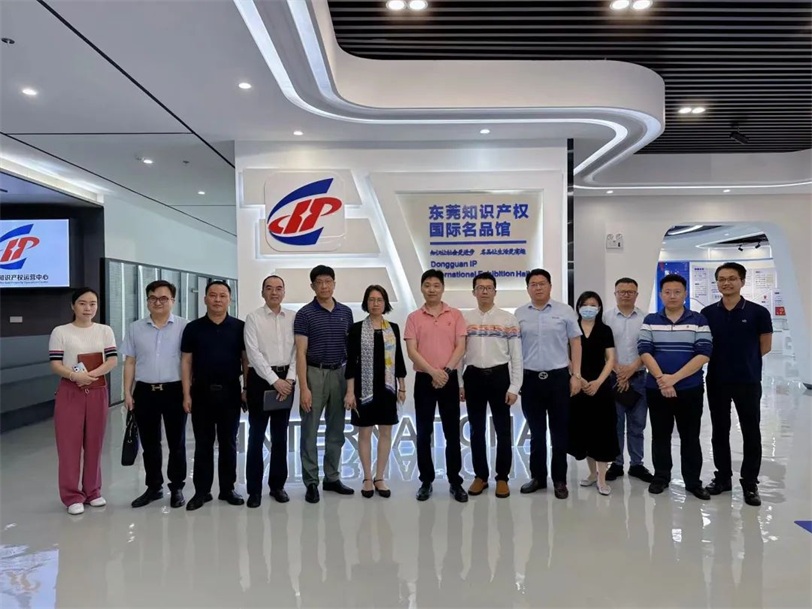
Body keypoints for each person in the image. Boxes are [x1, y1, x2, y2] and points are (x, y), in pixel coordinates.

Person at [701, 262, 772, 506]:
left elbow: (765, 345)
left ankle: (750, 482)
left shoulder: (758, 312)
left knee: (751, 431)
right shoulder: (708, 313)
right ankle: (722, 478)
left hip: (748, 380)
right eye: (722, 279)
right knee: (719, 430)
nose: (726, 283)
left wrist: (743, 361)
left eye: (732, 278)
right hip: (717, 380)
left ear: (742, 281)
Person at [638, 274, 713, 500]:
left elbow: (704, 353)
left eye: (677, 292)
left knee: (690, 436)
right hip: (657, 389)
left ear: (685, 294)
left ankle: (693, 482)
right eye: (667, 292)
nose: (672, 296)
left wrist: (674, 379)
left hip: (690, 388)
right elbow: (645, 351)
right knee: (660, 435)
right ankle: (661, 477)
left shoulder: (698, 320)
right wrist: (662, 379)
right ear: (661, 294)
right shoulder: (651, 320)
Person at [48, 287, 118, 515]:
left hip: (97, 390)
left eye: (92, 303)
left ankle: (93, 491)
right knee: (69, 445)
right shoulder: (61, 331)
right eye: (82, 303)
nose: (88, 308)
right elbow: (55, 364)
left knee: (95, 443)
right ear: (73, 306)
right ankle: (71, 496)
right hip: (71, 390)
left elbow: (112, 360)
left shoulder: (104, 330)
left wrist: (91, 375)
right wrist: (75, 376)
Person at [181, 280, 248, 511]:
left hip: (230, 392)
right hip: (201, 392)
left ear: (229, 299)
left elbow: (245, 360)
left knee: (229, 442)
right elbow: (186, 361)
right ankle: (202, 491)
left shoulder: (239, 327)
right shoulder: (193, 328)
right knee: (203, 443)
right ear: (205, 299)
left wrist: (246, 389)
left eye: (222, 295)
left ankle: (228, 489)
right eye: (213, 295)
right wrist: (186, 394)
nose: (217, 299)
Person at [515, 269, 582, 499]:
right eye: (533, 284)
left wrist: (576, 375)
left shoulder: (565, 311)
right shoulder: (520, 313)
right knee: (536, 433)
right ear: (528, 288)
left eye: (542, 283)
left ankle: (560, 480)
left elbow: (576, 343)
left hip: (558, 379)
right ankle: (538, 477)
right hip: (530, 379)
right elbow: (515, 349)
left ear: (550, 286)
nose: (538, 287)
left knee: (559, 432)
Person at [122, 280, 189, 509]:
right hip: (145, 391)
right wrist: (127, 392)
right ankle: (154, 487)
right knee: (150, 443)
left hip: (174, 390)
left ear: (173, 300)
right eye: (152, 298)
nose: (157, 302)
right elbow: (130, 361)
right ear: (147, 300)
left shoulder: (184, 326)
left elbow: (188, 362)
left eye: (163, 298)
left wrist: (188, 393)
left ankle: (177, 487)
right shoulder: (135, 328)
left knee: (177, 442)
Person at [404, 269, 468, 503]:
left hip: (448, 378)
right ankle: (426, 481)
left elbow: (461, 347)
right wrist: (433, 372)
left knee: (452, 433)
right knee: (423, 433)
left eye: (436, 285)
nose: (431, 289)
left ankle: (455, 481)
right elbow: (412, 351)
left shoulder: (456, 315)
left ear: (442, 288)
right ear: (422, 288)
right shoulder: (414, 317)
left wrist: (446, 372)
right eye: (427, 285)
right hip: (425, 380)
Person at [294, 265, 356, 503]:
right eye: (319, 282)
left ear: (334, 284)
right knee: (309, 430)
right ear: (312, 286)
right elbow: (301, 353)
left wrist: (350, 386)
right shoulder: (305, 314)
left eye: (328, 281)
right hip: (314, 373)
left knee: (336, 429)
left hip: (340, 373)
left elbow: (351, 352)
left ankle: (332, 477)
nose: (324, 286)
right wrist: (304, 388)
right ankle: (311, 481)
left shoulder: (346, 312)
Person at [460, 271, 523, 498]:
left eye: (488, 288)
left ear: (495, 291)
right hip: (473, 377)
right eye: (480, 288)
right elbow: (459, 355)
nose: (484, 291)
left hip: (499, 377)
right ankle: (480, 476)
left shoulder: (508, 319)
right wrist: (459, 383)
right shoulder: (464, 320)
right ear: (474, 292)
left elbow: (517, 356)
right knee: (476, 430)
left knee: (503, 429)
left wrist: (514, 387)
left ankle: (502, 477)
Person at [344, 285, 407, 498]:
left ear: (385, 303)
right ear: (366, 303)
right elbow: (351, 363)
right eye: (371, 299)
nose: (375, 303)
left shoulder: (393, 328)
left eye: (379, 300)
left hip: (388, 388)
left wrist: (402, 386)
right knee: (365, 432)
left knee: (386, 432)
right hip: (364, 389)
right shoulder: (356, 329)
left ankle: (380, 477)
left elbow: (398, 360)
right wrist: (350, 392)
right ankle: (367, 478)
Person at [244, 275, 297, 507]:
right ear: (262, 292)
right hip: (260, 381)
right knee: (256, 436)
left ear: (284, 292)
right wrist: (275, 381)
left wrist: (290, 380)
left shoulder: (293, 317)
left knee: (280, 437)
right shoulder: (253, 318)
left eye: (278, 288)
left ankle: (277, 486)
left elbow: (298, 351)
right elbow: (253, 353)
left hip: (287, 380)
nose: (274, 292)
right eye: (269, 288)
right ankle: (254, 490)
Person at [603, 277, 654, 483]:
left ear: (636, 294)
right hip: (613, 377)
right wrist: (619, 371)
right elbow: (603, 348)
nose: (626, 294)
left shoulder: (647, 319)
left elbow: (649, 347)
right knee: (615, 424)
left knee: (637, 424)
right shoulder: (606, 318)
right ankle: (616, 464)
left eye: (630, 291)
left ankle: (637, 464)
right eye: (622, 291)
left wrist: (631, 369)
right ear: (615, 294)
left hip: (639, 377)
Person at [568, 291, 618, 495]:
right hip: (577, 385)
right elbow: (566, 356)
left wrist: (598, 382)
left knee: (602, 431)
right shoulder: (572, 328)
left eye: (593, 305)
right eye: (585, 304)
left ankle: (602, 479)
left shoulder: (605, 330)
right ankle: (591, 473)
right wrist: (578, 377)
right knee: (584, 430)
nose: (589, 308)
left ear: (599, 308)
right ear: (578, 306)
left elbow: (611, 359)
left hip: (601, 387)